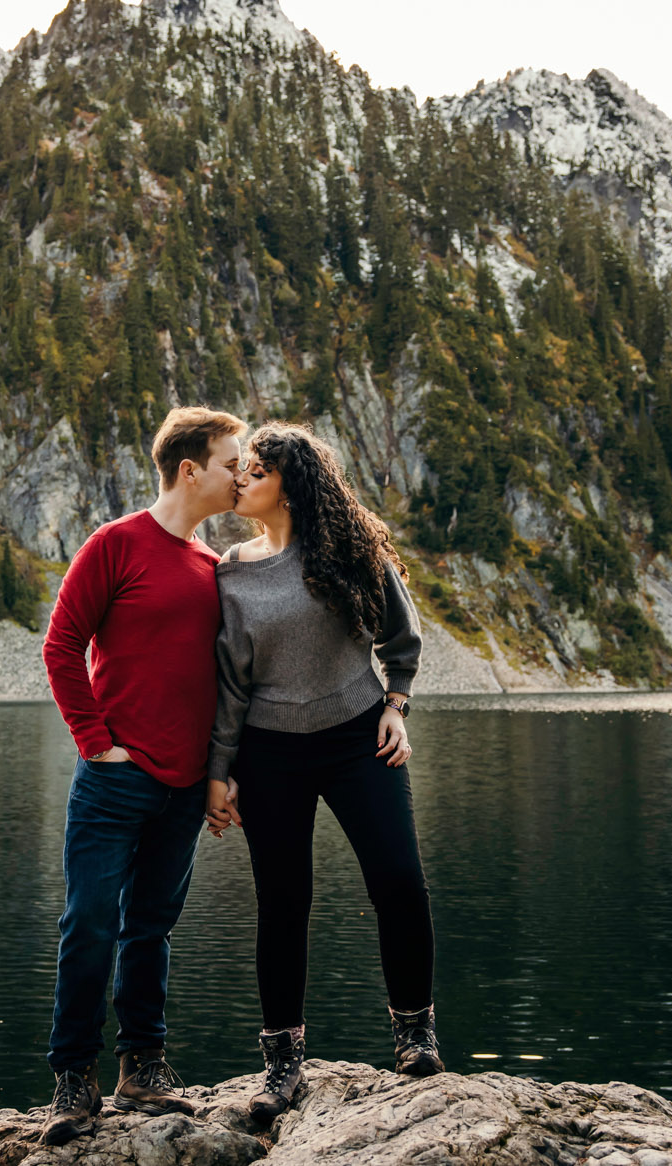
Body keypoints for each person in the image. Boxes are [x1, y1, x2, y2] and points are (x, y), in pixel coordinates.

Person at [205, 421, 438, 1126]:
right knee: (283, 903)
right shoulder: (231, 572)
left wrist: (397, 703)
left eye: (255, 471)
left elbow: (404, 633)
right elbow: (230, 687)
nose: (240, 480)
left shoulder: (348, 545)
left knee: (398, 880)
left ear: (290, 484)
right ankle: (281, 1064)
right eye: (238, 469)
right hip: (269, 751)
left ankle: (415, 1033)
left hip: (356, 735)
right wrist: (219, 772)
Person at [39, 405, 247, 1146]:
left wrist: (225, 777)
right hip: (116, 779)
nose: (241, 476)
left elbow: (229, 685)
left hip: (188, 786)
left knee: (152, 926)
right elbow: (61, 647)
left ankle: (143, 1068)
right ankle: (72, 1080)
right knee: (89, 922)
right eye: (231, 463)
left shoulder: (215, 568)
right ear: (189, 468)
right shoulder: (115, 545)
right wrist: (96, 743)